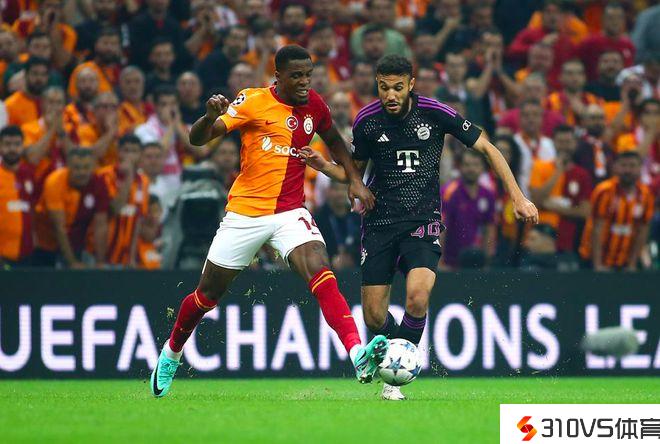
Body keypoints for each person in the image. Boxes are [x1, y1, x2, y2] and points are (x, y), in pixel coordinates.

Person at [150, 45, 387, 398]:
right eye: (297, 76)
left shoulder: (315, 105)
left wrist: (354, 179)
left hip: (290, 212)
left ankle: (356, 354)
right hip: (245, 213)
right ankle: (171, 353)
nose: (305, 82)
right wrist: (208, 116)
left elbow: (337, 144)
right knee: (207, 295)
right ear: (278, 77)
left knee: (320, 268)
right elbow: (197, 139)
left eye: (308, 75)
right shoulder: (253, 101)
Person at [302, 54, 538, 400]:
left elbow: (488, 148)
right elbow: (354, 174)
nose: (390, 95)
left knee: (417, 297)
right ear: (377, 85)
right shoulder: (367, 121)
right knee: (374, 316)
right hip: (379, 223)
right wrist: (325, 166)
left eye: (398, 87)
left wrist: (518, 197)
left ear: (411, 85)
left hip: (422, 220)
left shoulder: (434, 112)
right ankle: (395, 357)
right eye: (384, 88)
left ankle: (393, 379)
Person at [33, 149, 110, 268]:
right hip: (46, 244)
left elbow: (101, 226)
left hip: (78, 243)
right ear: (68, 166)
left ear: (93, 167)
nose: (82, 172)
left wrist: (100, 262)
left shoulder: (98, 183)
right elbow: (59, 228)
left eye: (86, 167)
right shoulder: (55, 182)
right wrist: (72, 262)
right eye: (77, 168)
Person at [579, 151, 655, 271]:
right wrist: (598, 265)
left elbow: (642, 231)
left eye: (632, 166)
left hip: (624, 261)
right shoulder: (604, 191)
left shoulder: (646, 195)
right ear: (615, 167)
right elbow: (597, 228)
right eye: (623, 165)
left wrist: (632, 265)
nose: (628, 170)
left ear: (640, 168)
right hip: (598, 260)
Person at [96, 134, 150, 267]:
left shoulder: (143, 181)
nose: (130, 155)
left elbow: (138, 218)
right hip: (101, 254)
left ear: (140, 154)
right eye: (126, 150)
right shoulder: (104, 176)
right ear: (118, 152)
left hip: (125, 257)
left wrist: (132, 257)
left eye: (134, 151)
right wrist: (129, 176)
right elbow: (114, 209)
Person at [440, 150, 497, 269]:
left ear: (483, 168)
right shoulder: (448, 192)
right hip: (449, 262)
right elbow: (440, 228)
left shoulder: (488, 194)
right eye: (467, 165)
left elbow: (489, 229)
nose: (471, 169)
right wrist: (440, 263)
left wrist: (486, 261)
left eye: (476, 165)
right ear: (459, 167)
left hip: (474, 261)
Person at [0, 126, 35, 267]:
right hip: (3, 256)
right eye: (7, 144)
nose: (12, 149)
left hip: (27, 254)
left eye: (17, 144)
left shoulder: (30, 173)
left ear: (23, 146)